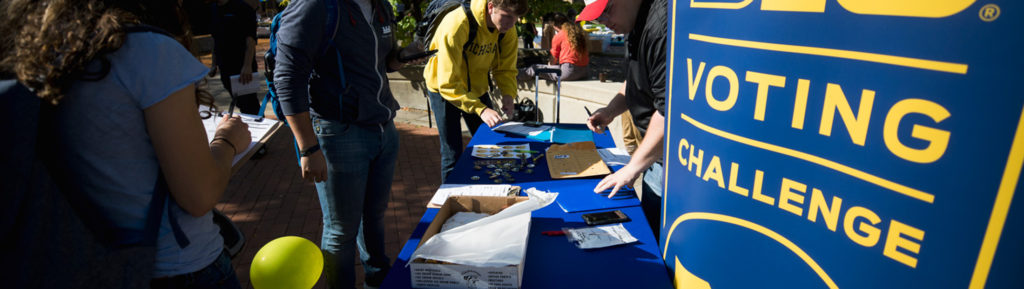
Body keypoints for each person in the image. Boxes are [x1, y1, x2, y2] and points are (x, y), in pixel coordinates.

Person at [1, 0, 251, 288]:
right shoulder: (148, 51)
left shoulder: (41, 53)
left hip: (78, 258)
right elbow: (200, 195)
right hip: (178, 267)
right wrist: (227, 140)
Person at [273, 0, 417, 288]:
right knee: (341, 230)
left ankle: (376, 280)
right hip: (339, 133)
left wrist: (403, 55)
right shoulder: (316, 7)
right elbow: (287, 79)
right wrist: (308, 147)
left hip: (383, 127)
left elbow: (383, 62)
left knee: (373, 216)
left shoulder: (380, 6)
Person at [580, 0, 668, 238]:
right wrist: (609, 111)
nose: (605, 23)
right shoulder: (634, 23)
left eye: (606, 12)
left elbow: (668, 112)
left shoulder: (661, 28)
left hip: (671, 165)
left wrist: (632, 168)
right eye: (597, 19)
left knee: (660, 243)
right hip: (655, 159)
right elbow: (637, 80)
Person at [423, 0, 527, 182]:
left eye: (516, 18)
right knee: (452, 153)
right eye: (507, 16)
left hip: (476, 89)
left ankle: (489, 188)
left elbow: (506, 69)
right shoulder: (456, 24)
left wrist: (508, 95)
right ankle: (449, 199)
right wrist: (481, 109)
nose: (512, 24)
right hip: (443, 90)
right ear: (491, 7)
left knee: (491, 144)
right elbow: (447, 83)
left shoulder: (507, 30)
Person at [210, 0, 261, 114]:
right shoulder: (213, 9)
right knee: (238, 101)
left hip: (242, 67)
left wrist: (247, 66)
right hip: (225, 66)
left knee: (249, 104)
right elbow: (214, 39)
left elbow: (251, 40)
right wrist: (213, 64)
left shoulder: (242, 8)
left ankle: (257, 127)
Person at [520, 13, 589, 81]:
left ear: (555, 25)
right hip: (584, 71)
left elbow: (553, 61)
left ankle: (513, 77)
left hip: (568, 72)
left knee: (533, 68)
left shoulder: (559, 36)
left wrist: (548, 66)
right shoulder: (579, 33)